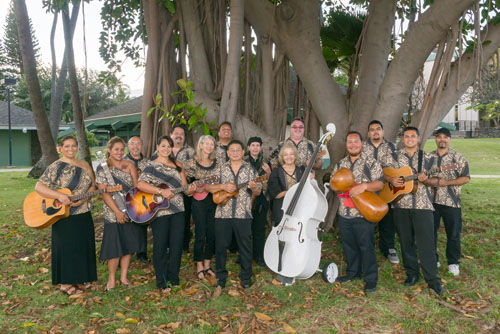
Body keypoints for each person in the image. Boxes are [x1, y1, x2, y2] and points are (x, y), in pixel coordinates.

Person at [383, 127, 446, 295]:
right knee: (406, 242)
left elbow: (435, 181)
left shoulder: (429, 158)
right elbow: (384, 173)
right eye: (406, 136)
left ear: (418, 138)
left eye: (413, 136)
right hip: (400, 205)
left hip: (422, 206)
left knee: (426, 244)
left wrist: (427, 180)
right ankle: (412, 274)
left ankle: (432, 279)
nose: (409, 138)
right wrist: (391, 179)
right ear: (403, 138)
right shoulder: (394, 156)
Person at [34, 136, 97, 295]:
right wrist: (59, 196)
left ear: (77, 147)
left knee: (83, 245)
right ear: (60, 148)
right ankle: (66, 284)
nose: (71, 149)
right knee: (67, 247)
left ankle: (81, 279)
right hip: (63, 213)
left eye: (74, 146)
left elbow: (93, 185)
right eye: (67, 146)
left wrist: (85, 197)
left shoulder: (85, 165)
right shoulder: (56, 166)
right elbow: (39, 187)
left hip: (83, 211)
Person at [137, 136, 196, 292]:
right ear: (158, 147)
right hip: (159, 210)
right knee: (160, 246)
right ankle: (161, 281)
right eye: (163, 146)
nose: (166, 149)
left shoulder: (178, 165)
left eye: (168, 146)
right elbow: (140, 184)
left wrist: (191, 189)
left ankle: (174, 278)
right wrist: (160, 191)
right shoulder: (151, 166)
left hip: (178, 210)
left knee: (177, 245)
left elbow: (184, 187)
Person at [206, 140, 262, 292]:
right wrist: (223, 186)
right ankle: (221, 278)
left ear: (243, 152)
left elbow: (258, 191)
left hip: (243, 214)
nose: (235, 152)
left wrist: (255, 187)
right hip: (222, 214)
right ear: (228, 153)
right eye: (232, 150)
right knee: (221, 246)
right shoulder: (220, 169)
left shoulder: (251, 170)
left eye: (238, 149)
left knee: (245, 247)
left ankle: (246, 277)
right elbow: (208, 186)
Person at [331, 131, 384, 293]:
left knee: (366, 246)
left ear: (362, 143)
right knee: (349, 245)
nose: (353, 144)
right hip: (344, 213)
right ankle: (353, 273)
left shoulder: (371, 162)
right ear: (346, 145)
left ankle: (370, 279)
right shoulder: (340, 164)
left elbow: (380, 184)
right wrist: (338, 187)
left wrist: (364, 186)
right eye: (349, 142)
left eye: (356, 141)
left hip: (362, 214)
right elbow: (333, 184)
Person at [96, 137, 145, 290]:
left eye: (121, 149)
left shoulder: (130, 165)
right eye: (116, 149)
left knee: (128, 245)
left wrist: (134, 208)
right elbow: (104, 193)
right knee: (114, 248)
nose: (119, 152)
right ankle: (111, 279)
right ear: (109, 150)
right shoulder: (103, 168)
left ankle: (124, 277)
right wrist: (117, 212)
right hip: (112, 212)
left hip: (130, 209)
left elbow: (136, 187)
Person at [429, 128, 470, 276]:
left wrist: (447, 182)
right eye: (439, 137)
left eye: (445, 137)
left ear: (450, 139)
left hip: (452, 202)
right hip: (431, 202)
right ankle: (433, 259)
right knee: (430, 233)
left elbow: (465, 178)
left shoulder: (458, 157)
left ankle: (453, 262)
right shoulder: (429, 157)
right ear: (436, 139)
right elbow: (423, 179)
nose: (442, 140)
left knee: (453, 234)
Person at [362, 120, 400, 264]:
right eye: (372, 130)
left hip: (387, 189)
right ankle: (367, 249)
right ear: (368, 133)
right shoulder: (363, 147)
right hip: (368, 188)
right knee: (366, 219)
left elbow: (397, 167)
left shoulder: (392, 147)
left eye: (378, 129)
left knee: (388, 219)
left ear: (383, 132)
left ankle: (389, 248)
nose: (375, 132)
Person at [184, 135, 220, 279]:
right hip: (198, 202)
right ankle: (199, 264)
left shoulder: (217, 163)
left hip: (214, 200)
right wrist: (193, 188)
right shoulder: (191, 163)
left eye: (212, 144)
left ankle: (207, 264)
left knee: (211, 233)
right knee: (200, 234)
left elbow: (221, 180)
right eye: (207, 144)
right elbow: (187, 184)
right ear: (200, 145)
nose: (209, 146)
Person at [244, 137, 271, 266]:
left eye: (258, 145)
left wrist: (269, 173)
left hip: (261, 200)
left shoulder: (265, 164)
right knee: (245, 230)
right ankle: (245, 255)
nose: (255, 148)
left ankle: (259, 256)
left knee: (259, 229)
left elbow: (270, 182)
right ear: (248, 147)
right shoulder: (242, 162)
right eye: (253, 145)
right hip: (245, 199)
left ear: (260, 148)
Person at [124, 136, 151, 264]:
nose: (135, 147)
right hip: (125, 197)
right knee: (125, 226)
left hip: (143, 198)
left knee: (141, 224)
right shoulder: (122, 162)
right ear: (128, 146)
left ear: (142, 146)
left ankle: (141, 252)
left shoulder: (148, 162)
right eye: (132, 144)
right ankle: (124, 253)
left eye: (138, 144)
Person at [170, 125, 196, 253]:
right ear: (171, 135)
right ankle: (169, 244)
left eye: (182, 134)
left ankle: (184, 244)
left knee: (184, 217)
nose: (179, 136)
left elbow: (195, 170)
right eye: (176, 133)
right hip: (166, 191)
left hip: (185, 189)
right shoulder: (162, 150)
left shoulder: (191, 152)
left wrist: (184, 173)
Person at [268, 142, 305, 226]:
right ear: (282, 157)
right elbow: (276, 194)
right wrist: (293, 190)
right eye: (286, 155)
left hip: (299, 209)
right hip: (281, 210)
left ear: (295, 156)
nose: (289, 157)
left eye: (291, 154)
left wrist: (311, 179)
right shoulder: (276, 172)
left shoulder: (302, 170)